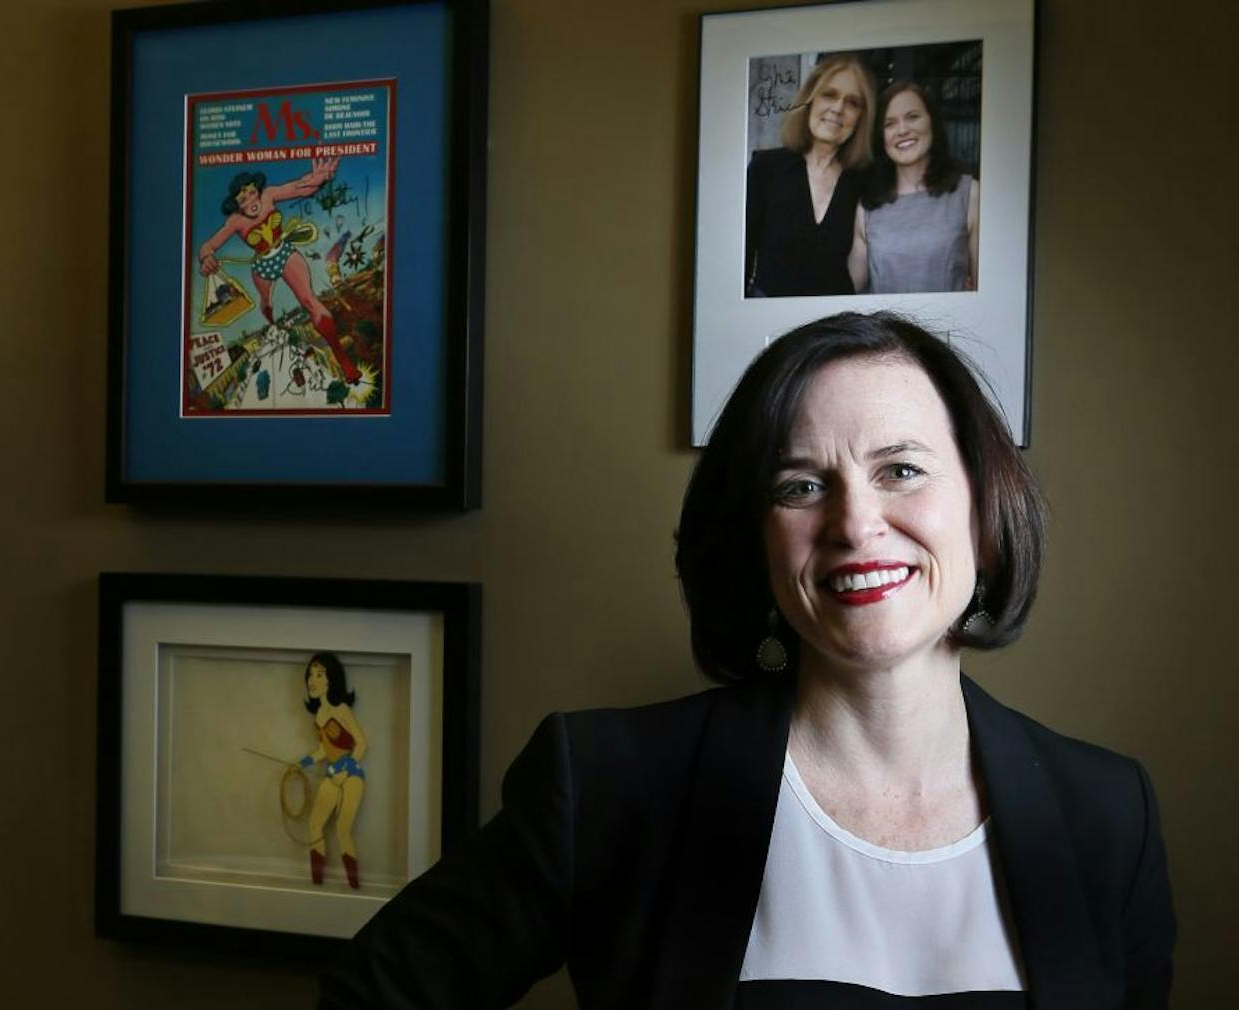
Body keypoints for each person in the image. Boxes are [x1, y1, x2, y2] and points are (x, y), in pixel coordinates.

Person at [317, 312, 1175, 1008]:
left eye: (902, 470)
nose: (855, 523)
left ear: (986, 510)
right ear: (757, 543)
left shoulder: (1109, 815)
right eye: (801, 485)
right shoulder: (609, 786)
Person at [197, 158, 362, 384]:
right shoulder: (235, 222)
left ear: (258, 190)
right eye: (243, 199)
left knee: (309, 299)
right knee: (266, 299)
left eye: (252, 193)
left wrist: (319, 179)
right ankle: (268, 310)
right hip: (263, 265)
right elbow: (207, 246)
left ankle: (343, 361)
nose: (251, 200)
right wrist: (206, 258)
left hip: (285, 253)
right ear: (237, 205)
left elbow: (302, 187)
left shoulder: (269, 195)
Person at [744, 56, 875, 297]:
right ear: (810, 99)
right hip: (767, 321)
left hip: (836, 325)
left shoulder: (866, 181)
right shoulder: (766, 167)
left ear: (861, 118)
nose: (838, 108)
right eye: (829, 94)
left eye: (853, 102)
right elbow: (740, 254)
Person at [848, 83, 981, 294]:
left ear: (932, 123)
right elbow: (849, 289)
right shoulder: (867, 206)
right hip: (884, 328)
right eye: (889, 124)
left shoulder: (970, 194)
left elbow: (988, 290)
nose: (902, 130)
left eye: (913, 117)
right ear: (881, 137)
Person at [298, 652, 368, 890]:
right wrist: (303, 762)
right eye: (310, 674)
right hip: (332, 774)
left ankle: (354, 886)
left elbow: (362, 744)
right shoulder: (318, 716)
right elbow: (323, 750)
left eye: (319, 674)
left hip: (351, 777)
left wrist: (346, 771)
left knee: (342, 829)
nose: (311, 680)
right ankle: (316, 883)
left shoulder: (342, 710)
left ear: (331, 680)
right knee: (315, 824)